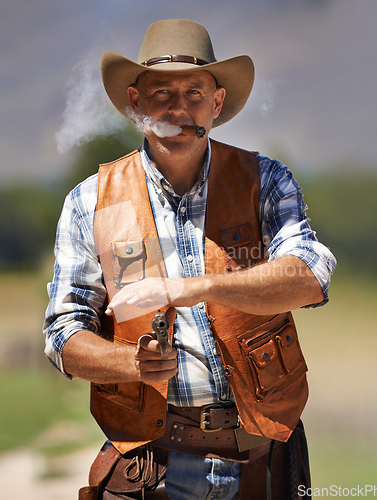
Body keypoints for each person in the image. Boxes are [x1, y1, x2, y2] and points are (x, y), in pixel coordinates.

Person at [44, 18, 336, 500]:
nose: (178, 108)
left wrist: (191, 287)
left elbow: (310, 275)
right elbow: (62, 336)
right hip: (150, 464)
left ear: (217, 104)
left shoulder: (265, 180)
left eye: (194, 92)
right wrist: (131, 362)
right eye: (161, 93)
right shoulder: (90, 201)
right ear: (136, 104)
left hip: (261, 458)